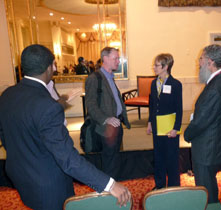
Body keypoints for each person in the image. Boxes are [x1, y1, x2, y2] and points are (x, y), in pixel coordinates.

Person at [0, 44, 131, 210]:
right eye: (54, 65)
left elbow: (6, 137)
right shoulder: (47, 105)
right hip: (48, 184)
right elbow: (68, 159)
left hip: (19, 174)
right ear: (48, 68)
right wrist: (110, 185)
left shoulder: (7, 95)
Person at [184, 44, 221, 203]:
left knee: (206, 191)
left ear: (210, 62)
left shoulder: (215, 88)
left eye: (201, 59)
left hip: (207, 149)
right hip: (218, 144)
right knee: (210, 186)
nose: (198, 62)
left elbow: (201, 122)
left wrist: (187, 134)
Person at [85, 47, 130, 179]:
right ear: (105, 59)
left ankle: (114, 187)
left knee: (115, 159)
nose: (118, 61)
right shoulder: (94, 78)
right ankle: (109, 193)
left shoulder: (110, 77)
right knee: (109, 161)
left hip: (116, 125)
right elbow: (91, 105)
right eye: (115, 58)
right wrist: (106, 119)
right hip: (105, 128)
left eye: (118, 58)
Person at [147, 53, 182, 190]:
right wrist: (150, 122)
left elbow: (179, 108)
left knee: (172, 159)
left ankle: (174, 187)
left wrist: (176, 128)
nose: (154, 67)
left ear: (166, 67)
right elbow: (152, 104)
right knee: (159, 157)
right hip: (157, 126)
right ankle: (160, 185)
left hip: (170, 128)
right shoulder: (153, 83)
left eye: (156, 65)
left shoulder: (176, 84)